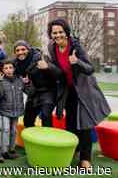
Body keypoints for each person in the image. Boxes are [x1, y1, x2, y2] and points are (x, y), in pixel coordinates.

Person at [47, 18, 111, 168]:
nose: (57, 35)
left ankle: (85, 158)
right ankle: (72, 150)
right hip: (68, 89)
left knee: (85, 123)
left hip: (83, 89)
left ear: (66, 32)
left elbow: (90, 69)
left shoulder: (76, 46)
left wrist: (77, 62)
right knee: (70, 123)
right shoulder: (52, 47)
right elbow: (58, 69)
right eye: (54, 33)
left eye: (60, 32)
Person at [13, 40, 61, 127]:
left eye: (23, 49)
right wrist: (26, 85)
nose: (20, 52)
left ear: (28, 49)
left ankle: (47, 139)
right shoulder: (16, 65)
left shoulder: (41, 57)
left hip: (48, 91)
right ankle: (31, 140)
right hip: (33, 93)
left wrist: (47, 67)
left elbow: (59, 73)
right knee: (27, 119)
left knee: (45, 116)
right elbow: (5, 69)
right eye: (17, 50)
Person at [0, 59, 33, 159]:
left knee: (14, 130)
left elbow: (28, 91)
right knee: (6, 129)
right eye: (6, 68)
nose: (8, 70)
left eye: (10, 68)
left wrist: (27, 83)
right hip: (5, 111)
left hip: (16, 110)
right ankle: (4, 150)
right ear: (2, 70)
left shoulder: (19, 80)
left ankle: (12, 149)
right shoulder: (1, 81)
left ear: (14, 69)